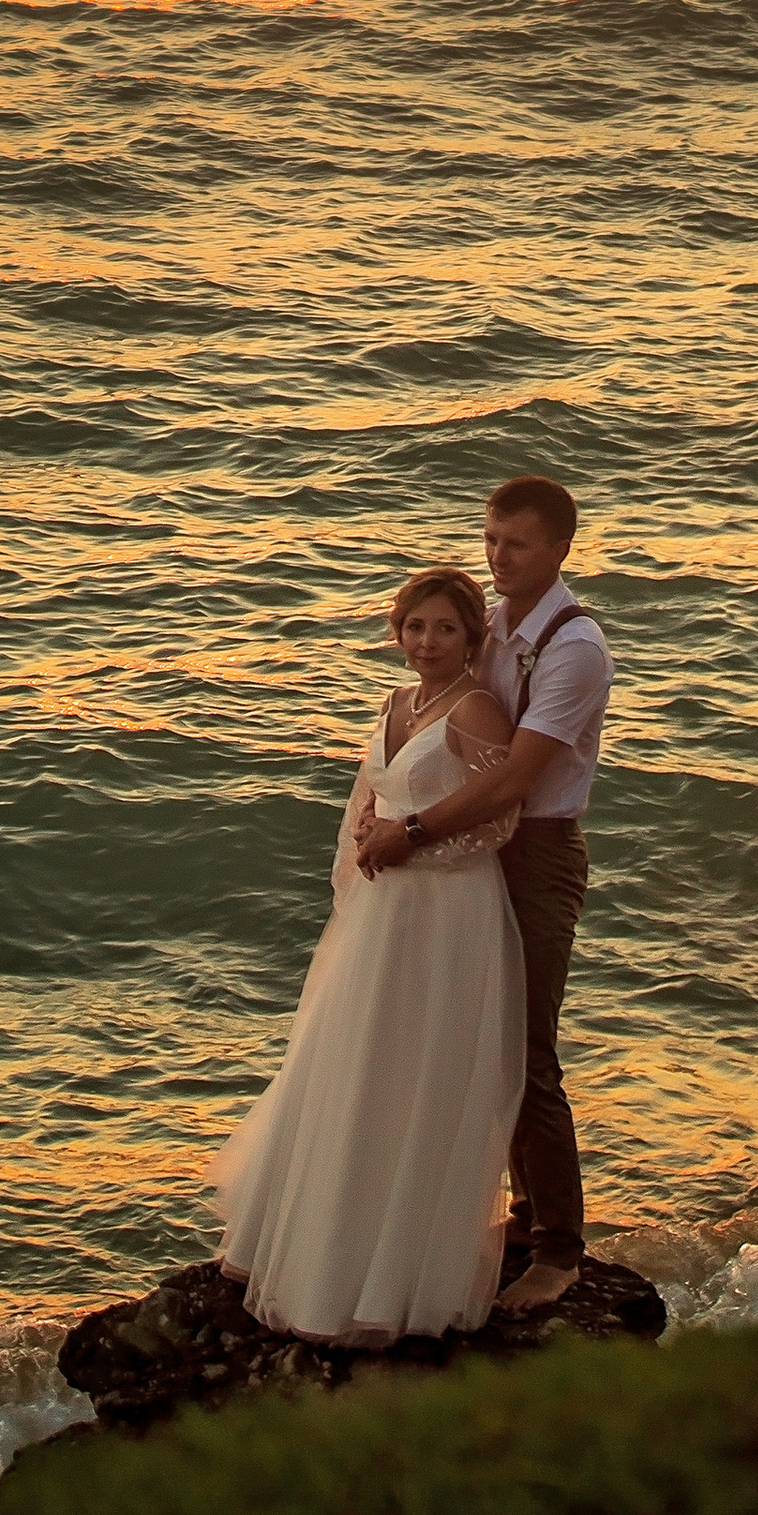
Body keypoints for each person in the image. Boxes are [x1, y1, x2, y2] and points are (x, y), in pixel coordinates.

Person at [211, 568, 525, 1343]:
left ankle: (393, 1275)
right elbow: (369, 799)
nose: (427, 643)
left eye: (445, 629)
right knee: (356, 1065)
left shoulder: (477, 707)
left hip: (446, 911)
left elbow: (499, 820)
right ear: (397, 632)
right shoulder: (395, 703)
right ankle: (323, 1247)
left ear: (470, 637)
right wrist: (367, 841)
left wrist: (411, 844)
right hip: (387, 908)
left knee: (417, 1072)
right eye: (416, 628)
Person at [358, 475, 611, 1312]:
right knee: (485, 1039)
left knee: (530, 1050)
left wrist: (415, 831)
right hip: (469, 851)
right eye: (493, 539)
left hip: (533, 853)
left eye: (519, 544)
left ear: (561, 549)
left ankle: (560, 1251)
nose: (500, 558)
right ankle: (525, 1213)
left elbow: (516, 781)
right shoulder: (494, 624)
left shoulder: (575, 648)